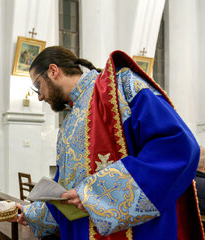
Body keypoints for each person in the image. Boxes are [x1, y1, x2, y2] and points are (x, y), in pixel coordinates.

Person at [16, 46, 203, 240]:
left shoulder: (121, 85)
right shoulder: (69, 122)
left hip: (137, 232)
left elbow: (177, 148)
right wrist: (31, 214)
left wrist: (94, 194)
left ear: (53, 71)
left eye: (38, 86)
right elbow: (66, 190)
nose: (39, 96)